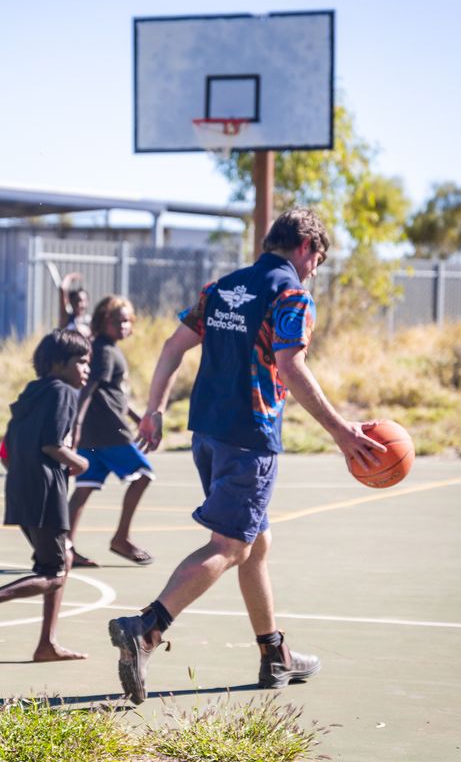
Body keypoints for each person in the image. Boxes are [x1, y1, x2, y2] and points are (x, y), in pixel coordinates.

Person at [107, 207, 385, 705]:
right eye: (318, 257)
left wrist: (154, 409)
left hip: (208, 433)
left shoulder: (221, 288)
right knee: (231, 546)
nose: (316, 268)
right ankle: (146, 629)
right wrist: (343, 432)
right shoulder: (291, 293)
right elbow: (291, 365)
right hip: (250, 437)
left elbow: (173, 347)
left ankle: (272, 651)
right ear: (305, 246)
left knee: (256, 543)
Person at [0, 329, 92, 663]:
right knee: (55, 573)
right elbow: (52, 444)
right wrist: (80, 461)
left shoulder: (31, 393)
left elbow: (6, 452)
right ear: (58, 363)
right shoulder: (63, 392)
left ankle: (47, 643)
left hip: (20, 488)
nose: (86, 369)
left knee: (60, 560)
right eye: (81, 361)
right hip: (47, 493)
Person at [67, 296, 156, 568]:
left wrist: (138, 417)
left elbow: (113, 393)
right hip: (108, 432)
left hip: (96, 433)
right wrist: (76, 427)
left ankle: (65, 547)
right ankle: (121, 537)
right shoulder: (105, 350)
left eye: (129, 321)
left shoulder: (107, 349)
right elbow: (89, 390)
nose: (125, 325)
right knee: (143, 475)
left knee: (84, 488)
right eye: (119, 320)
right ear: (104, 320)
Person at [59, 272, 91, 338]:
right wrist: (70, 277)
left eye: (84, 301)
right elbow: (63, 289)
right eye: (77, 301)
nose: (80, 305)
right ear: (71, 302)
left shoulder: (90, 320)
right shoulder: (67, 317)